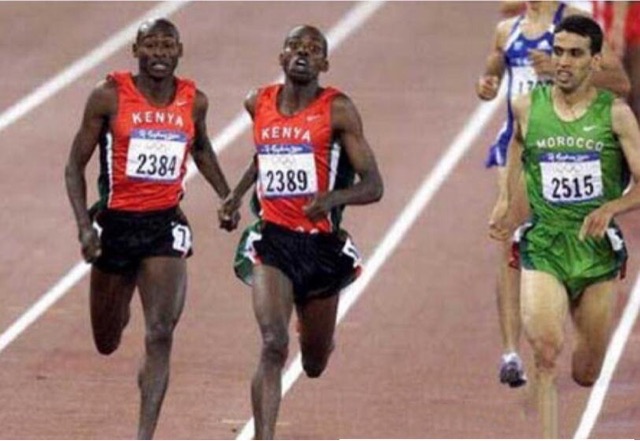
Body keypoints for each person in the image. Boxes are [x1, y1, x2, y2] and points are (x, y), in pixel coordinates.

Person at [64, 18, 235, 439]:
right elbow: (73, 166)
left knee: (160, 332)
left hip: (164, 225)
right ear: (136, 50)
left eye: (167, 46)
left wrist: (226, 195)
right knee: (106, 340)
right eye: (151, 45)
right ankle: (121, 300)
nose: (159, 53)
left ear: (179, 51)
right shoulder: (108, 96)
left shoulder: (194, 102)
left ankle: (144, 434)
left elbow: (201, 148)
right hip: (116, 225)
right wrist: (85, 227)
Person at [218, 25, 383, 440]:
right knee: (273, 343)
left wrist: (332, 198)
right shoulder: (258, 102)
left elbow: (373, 185)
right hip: (273, 241)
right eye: (295, 46)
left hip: (321, 247)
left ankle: (317, 337)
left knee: (313, 363)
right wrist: (236, 195)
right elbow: (266, 155)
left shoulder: (338, 110)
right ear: (282, 57)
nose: (303, 54)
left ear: (324, 63)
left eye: (313, 49)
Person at [489, 15, 640, 438]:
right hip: (545, 243)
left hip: (596, 250)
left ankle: (586, 359)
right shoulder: (526, 106)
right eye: (558, 52)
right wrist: (506, 200)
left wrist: (613, 207)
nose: (563, 62)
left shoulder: (616, 115)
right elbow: (517, 144)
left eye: (575, 54)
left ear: (595, 61)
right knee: (545, 350)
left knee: (586, 372)